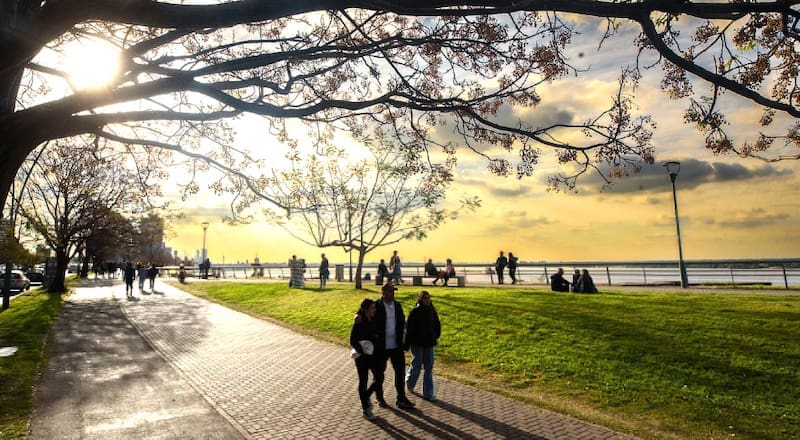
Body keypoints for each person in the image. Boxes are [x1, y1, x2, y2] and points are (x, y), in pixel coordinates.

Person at [374, 283, 415, 409]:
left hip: (396, 346)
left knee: (400, 372)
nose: (392, 294)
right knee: (379, 373)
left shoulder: (397, 305)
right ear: (383, 293)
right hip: (382, 346)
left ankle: (401, 398)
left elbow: (402, 323)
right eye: (390, 292)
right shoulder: (377, 306)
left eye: (393, 292)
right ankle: (380, 397)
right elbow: (367, 316)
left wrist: (404, 341)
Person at [404, 290, 441, 401]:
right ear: (420, 299)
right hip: (417, 343)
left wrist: (436, 335)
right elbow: (409, 329)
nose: (427, 300)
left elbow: (437, 323)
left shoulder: (432, 310)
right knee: (417, 365)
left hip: (429, 342)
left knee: (429, 367)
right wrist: (407, 344)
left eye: (429, 298)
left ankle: (428, 393)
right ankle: (410, 382)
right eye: (425, 298)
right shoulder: (415, 312)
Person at [350, 298, 381, 420]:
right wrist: (362, 351)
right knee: (363, 380)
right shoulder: (359, 320)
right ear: (366, 309)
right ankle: (366, 410)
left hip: (372, 355)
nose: (375, 310)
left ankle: (366, 396)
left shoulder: (372, 319)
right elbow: (352, 340)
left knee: (379, 377)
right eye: (372, 308)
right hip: (362, 357)